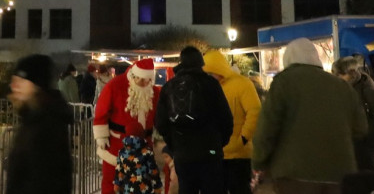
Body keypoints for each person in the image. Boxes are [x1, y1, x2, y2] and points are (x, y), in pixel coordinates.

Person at [252, 37, 367, 194]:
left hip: (294, 174)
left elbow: (267, 128)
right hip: (340, 174)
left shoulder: (284, 82)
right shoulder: (342, 86)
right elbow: (361, 128)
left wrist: (259, 163)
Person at [155, 47, 233, 194]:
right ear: (201, 63)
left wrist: (174, 144)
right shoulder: (211, 84)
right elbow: (226, 118)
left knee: (186, 189)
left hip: (183, 153)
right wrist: (219, 142)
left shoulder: (169, 86)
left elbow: (161, 123)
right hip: (210, 152)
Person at [5, 54, 73, 194]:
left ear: (37, 85)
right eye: (14, 80)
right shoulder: (31, 118)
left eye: (21, 80)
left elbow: (47, 183)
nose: (14, 86)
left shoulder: (48, 124)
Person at [94, 58, 163, 194]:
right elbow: (102, 110)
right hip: (117, 146)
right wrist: (101, 136)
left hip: (144, 148)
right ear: (134, 75)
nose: (145, 83)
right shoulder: (115, 85)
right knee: (111, 182)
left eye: (148, 80)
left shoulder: (154, 92)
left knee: (141, 184)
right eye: (141, 80)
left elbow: (159, 116)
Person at [203, 49, 261, 194]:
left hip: (239, 155)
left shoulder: (242, 84)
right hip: (214, 154)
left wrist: (243, 138)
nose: (208, 77)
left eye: (210, 73)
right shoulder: (206, 87)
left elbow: (255, 112)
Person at [332, 56, 374, 171]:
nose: (336, 77)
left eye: (340, 74)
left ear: (352, 73)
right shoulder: (342, 89)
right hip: (349, 150)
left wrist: (361, 133)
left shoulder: (366, 88)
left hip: (367, 152)